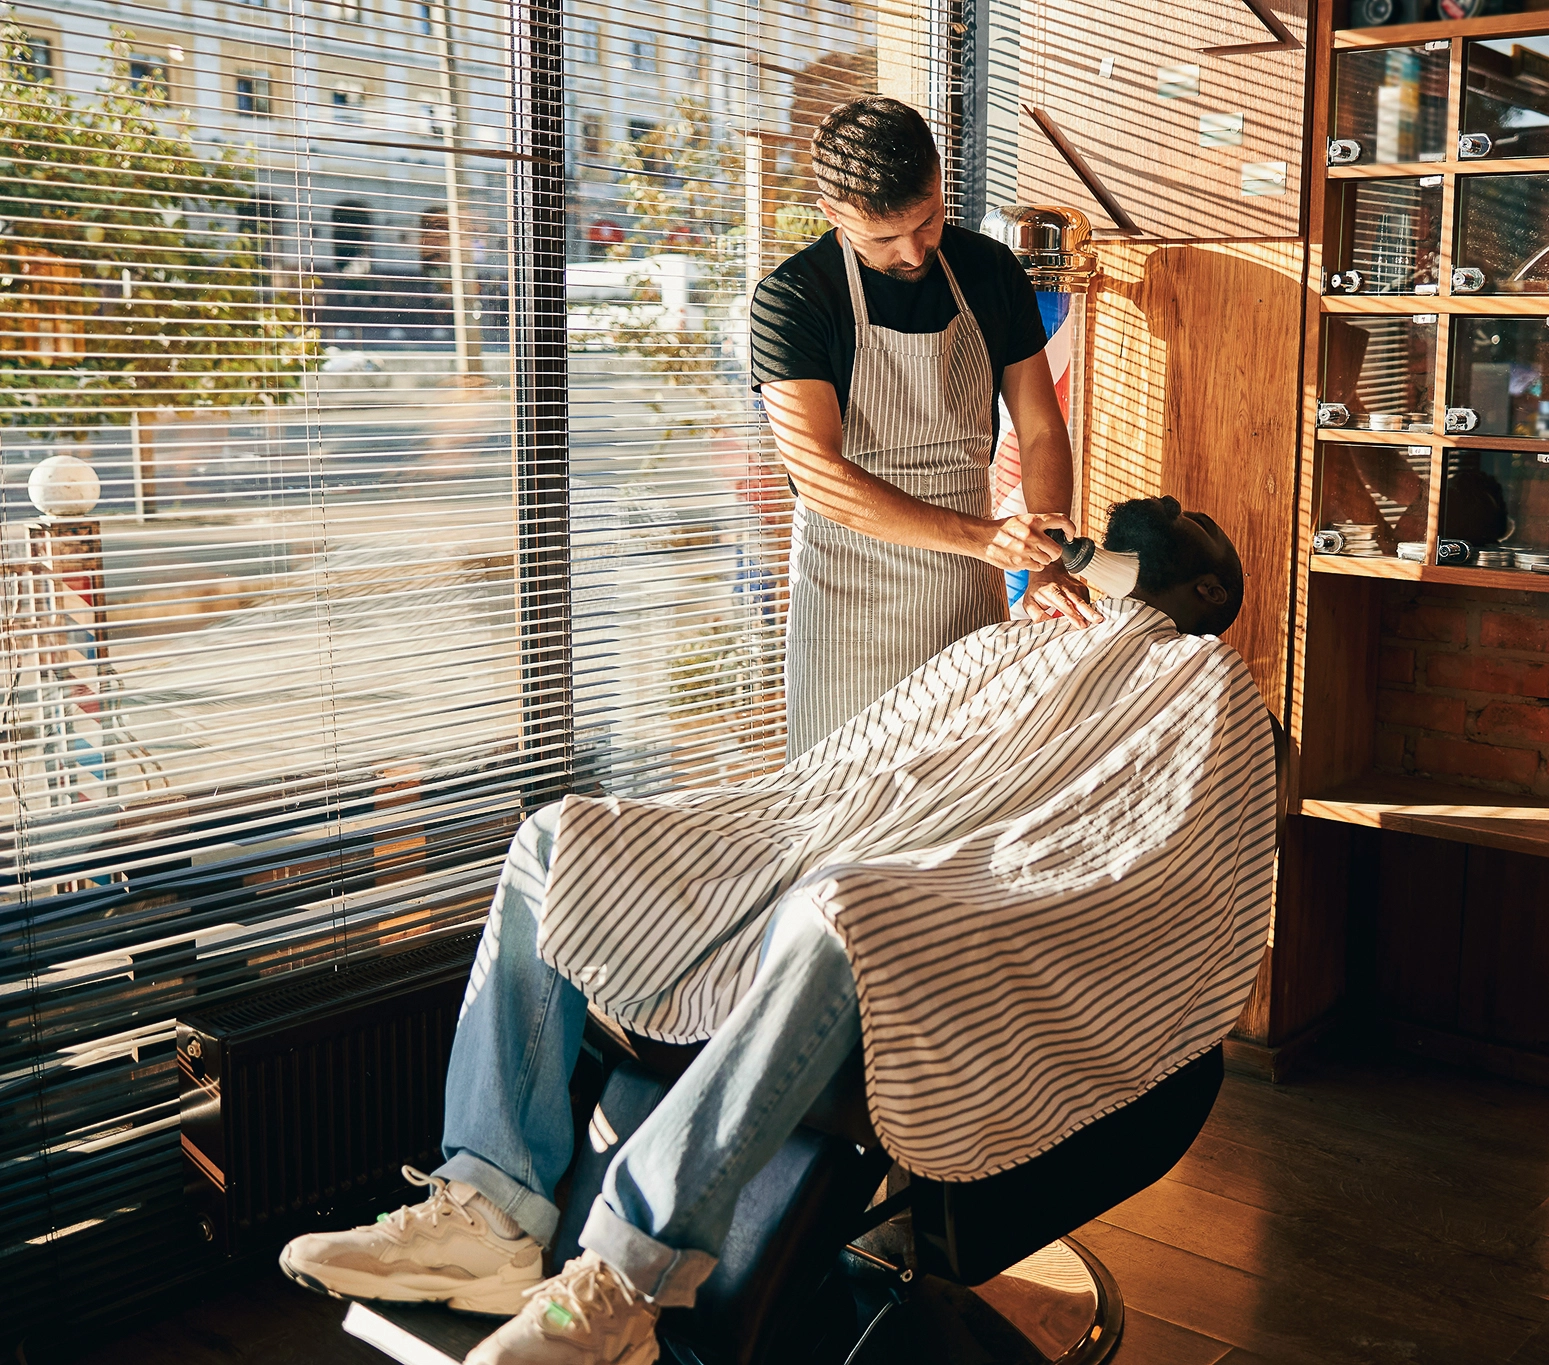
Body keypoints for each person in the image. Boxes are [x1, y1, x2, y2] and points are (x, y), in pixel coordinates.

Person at [276, 496, 1245, 1365]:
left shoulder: (1203, 676)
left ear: (1203, 586)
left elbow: (1152, 851)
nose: (1163, 496)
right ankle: (489, 1206)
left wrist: (895, 863)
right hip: (819, 836)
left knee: (839, 905)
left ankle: (621, 1283)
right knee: (556, 836)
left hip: (971, 889)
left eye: (1190, 516)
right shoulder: (1014, 636)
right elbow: (844, 773)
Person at [751, 96, 1097, 759]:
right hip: (849, 617)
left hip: (967, 600)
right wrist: (986, 537)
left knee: (958, 802)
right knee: (842, 812)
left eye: (929, 219)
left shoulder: (991, 272)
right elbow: (820, 477)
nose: (914, 250)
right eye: (884, 237)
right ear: (832, 214)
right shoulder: (792, 300)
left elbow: (1042, 428)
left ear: (942, 182)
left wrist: (1049, 556)